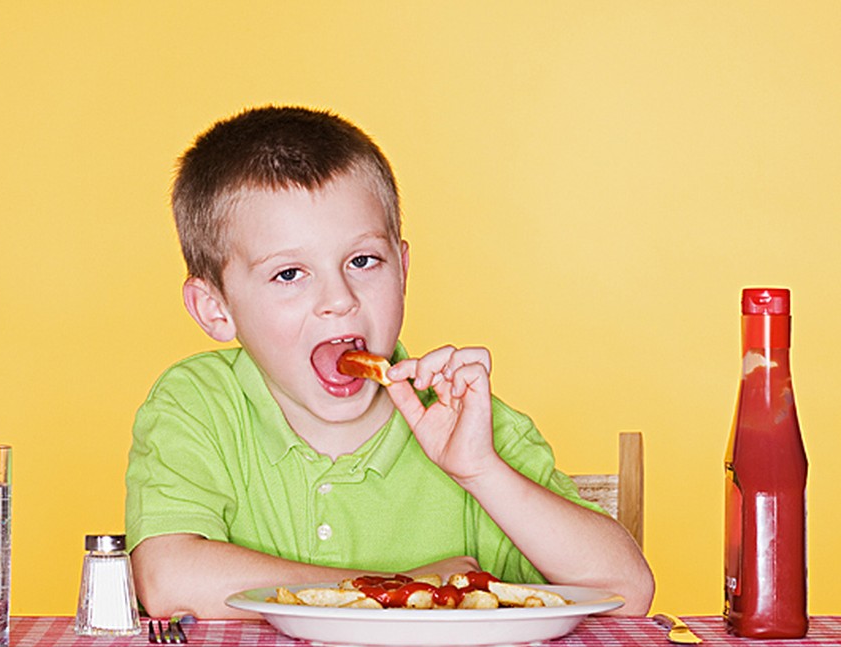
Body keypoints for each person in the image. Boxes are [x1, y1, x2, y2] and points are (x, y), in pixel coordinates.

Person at [125, 105, 654, 619]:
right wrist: (398, 590)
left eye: (363, 261)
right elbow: (169, 580)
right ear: (216, 310)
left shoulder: (469, 425)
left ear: (401, 269)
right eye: (289, 274)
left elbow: (625, 590)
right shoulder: (197, 404)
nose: (339, 298)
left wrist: (480, 472)